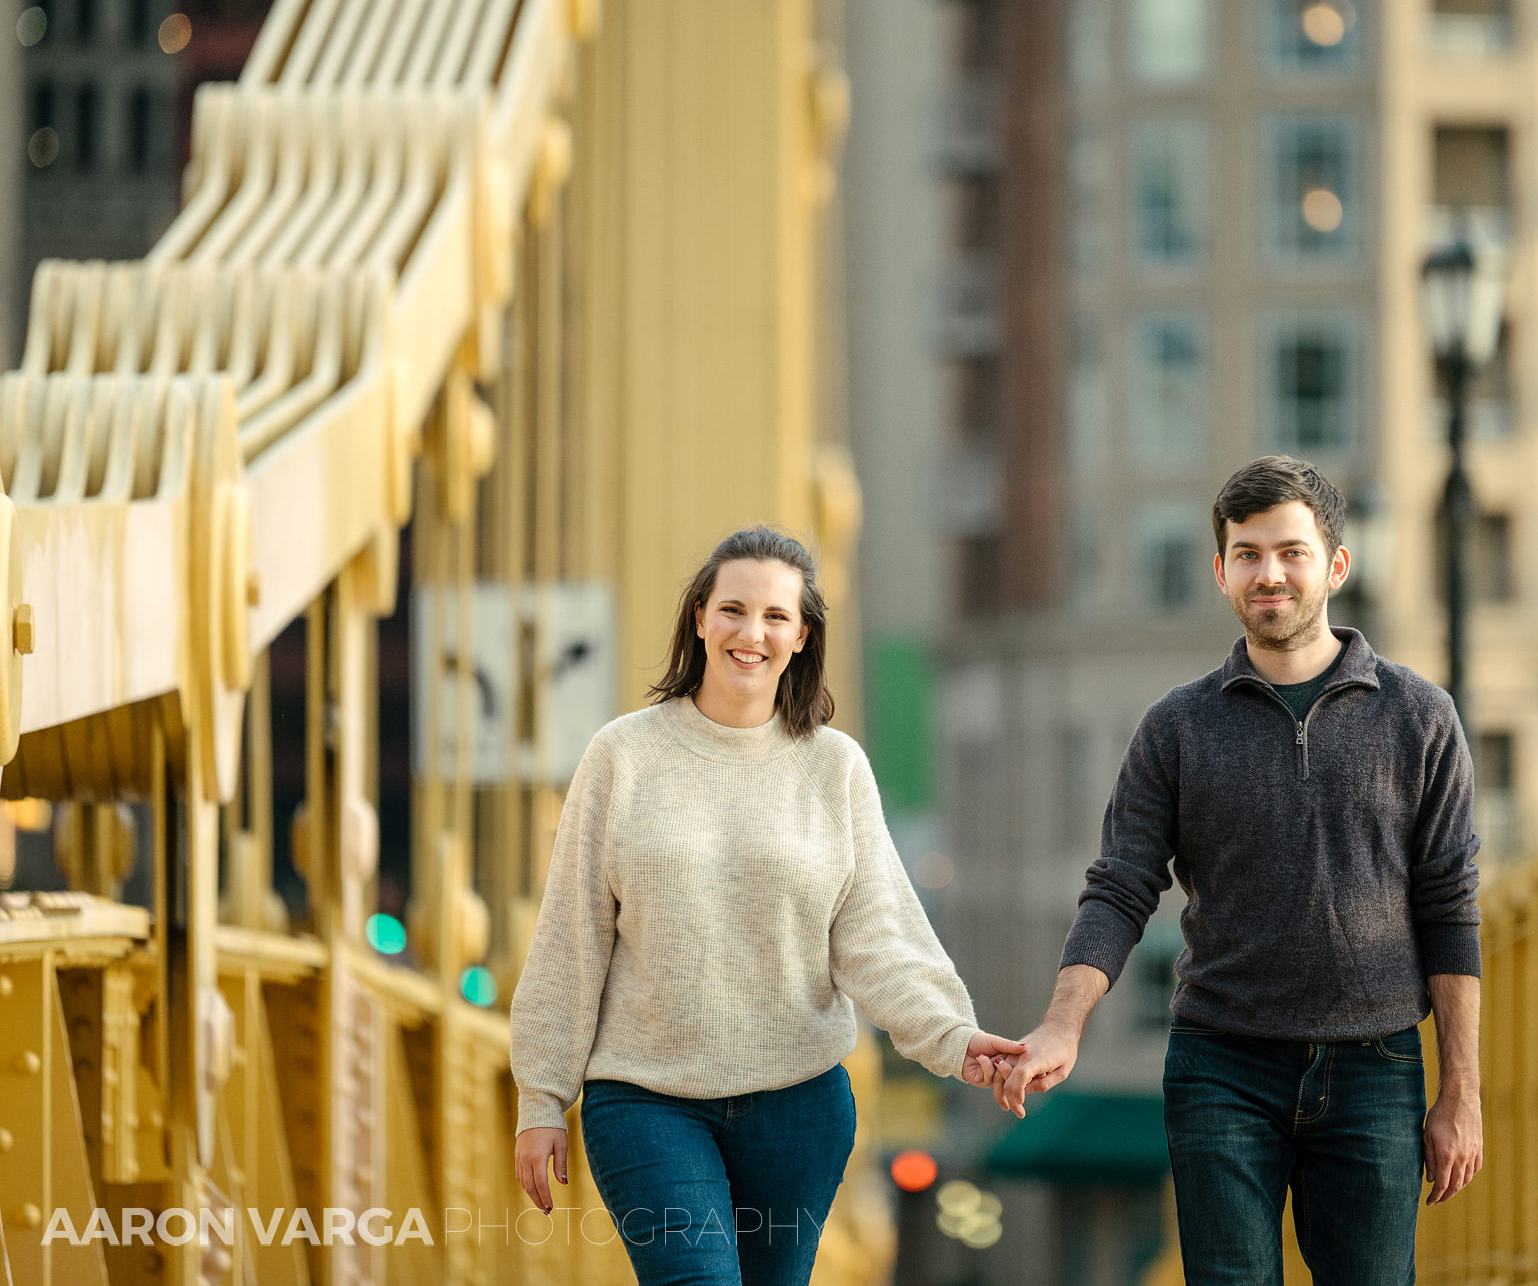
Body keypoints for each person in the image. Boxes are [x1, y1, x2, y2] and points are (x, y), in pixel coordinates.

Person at [994, 456, 1484, 1286]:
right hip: (1222, 1065)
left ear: (1335, 565)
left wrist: (1461, 1091)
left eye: (1291, 552)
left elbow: (1449, 907)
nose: (1271, 575)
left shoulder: (1419, 717)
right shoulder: (1176, 727)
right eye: (1249, 554)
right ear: (1222, 572)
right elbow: (1119, 885)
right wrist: (1062, 1023)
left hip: (1375, 1065)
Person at [510, 527, 1022, 1286]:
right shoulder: (623, 756)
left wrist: (954, 1037)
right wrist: (541, 1098)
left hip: (799, 1109)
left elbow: (875, 937)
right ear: (699, 619)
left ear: (801, 635)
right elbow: (571, 936)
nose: (752, 633)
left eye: (775, 616)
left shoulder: (833, 767)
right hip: (648, 1102)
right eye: (733, 609)